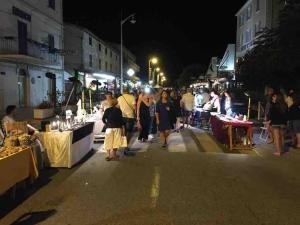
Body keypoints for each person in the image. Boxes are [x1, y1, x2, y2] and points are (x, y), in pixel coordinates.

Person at [117, 88, 136, 154]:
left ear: (123, 92)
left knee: (124, 132)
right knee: (129, 132)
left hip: (122, 117)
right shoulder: (132, 97)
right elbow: (134, 108)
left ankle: (123, 144)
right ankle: (126, 146)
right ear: (128, 91)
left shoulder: (119, 98)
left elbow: (118, 108)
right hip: (130, 116)